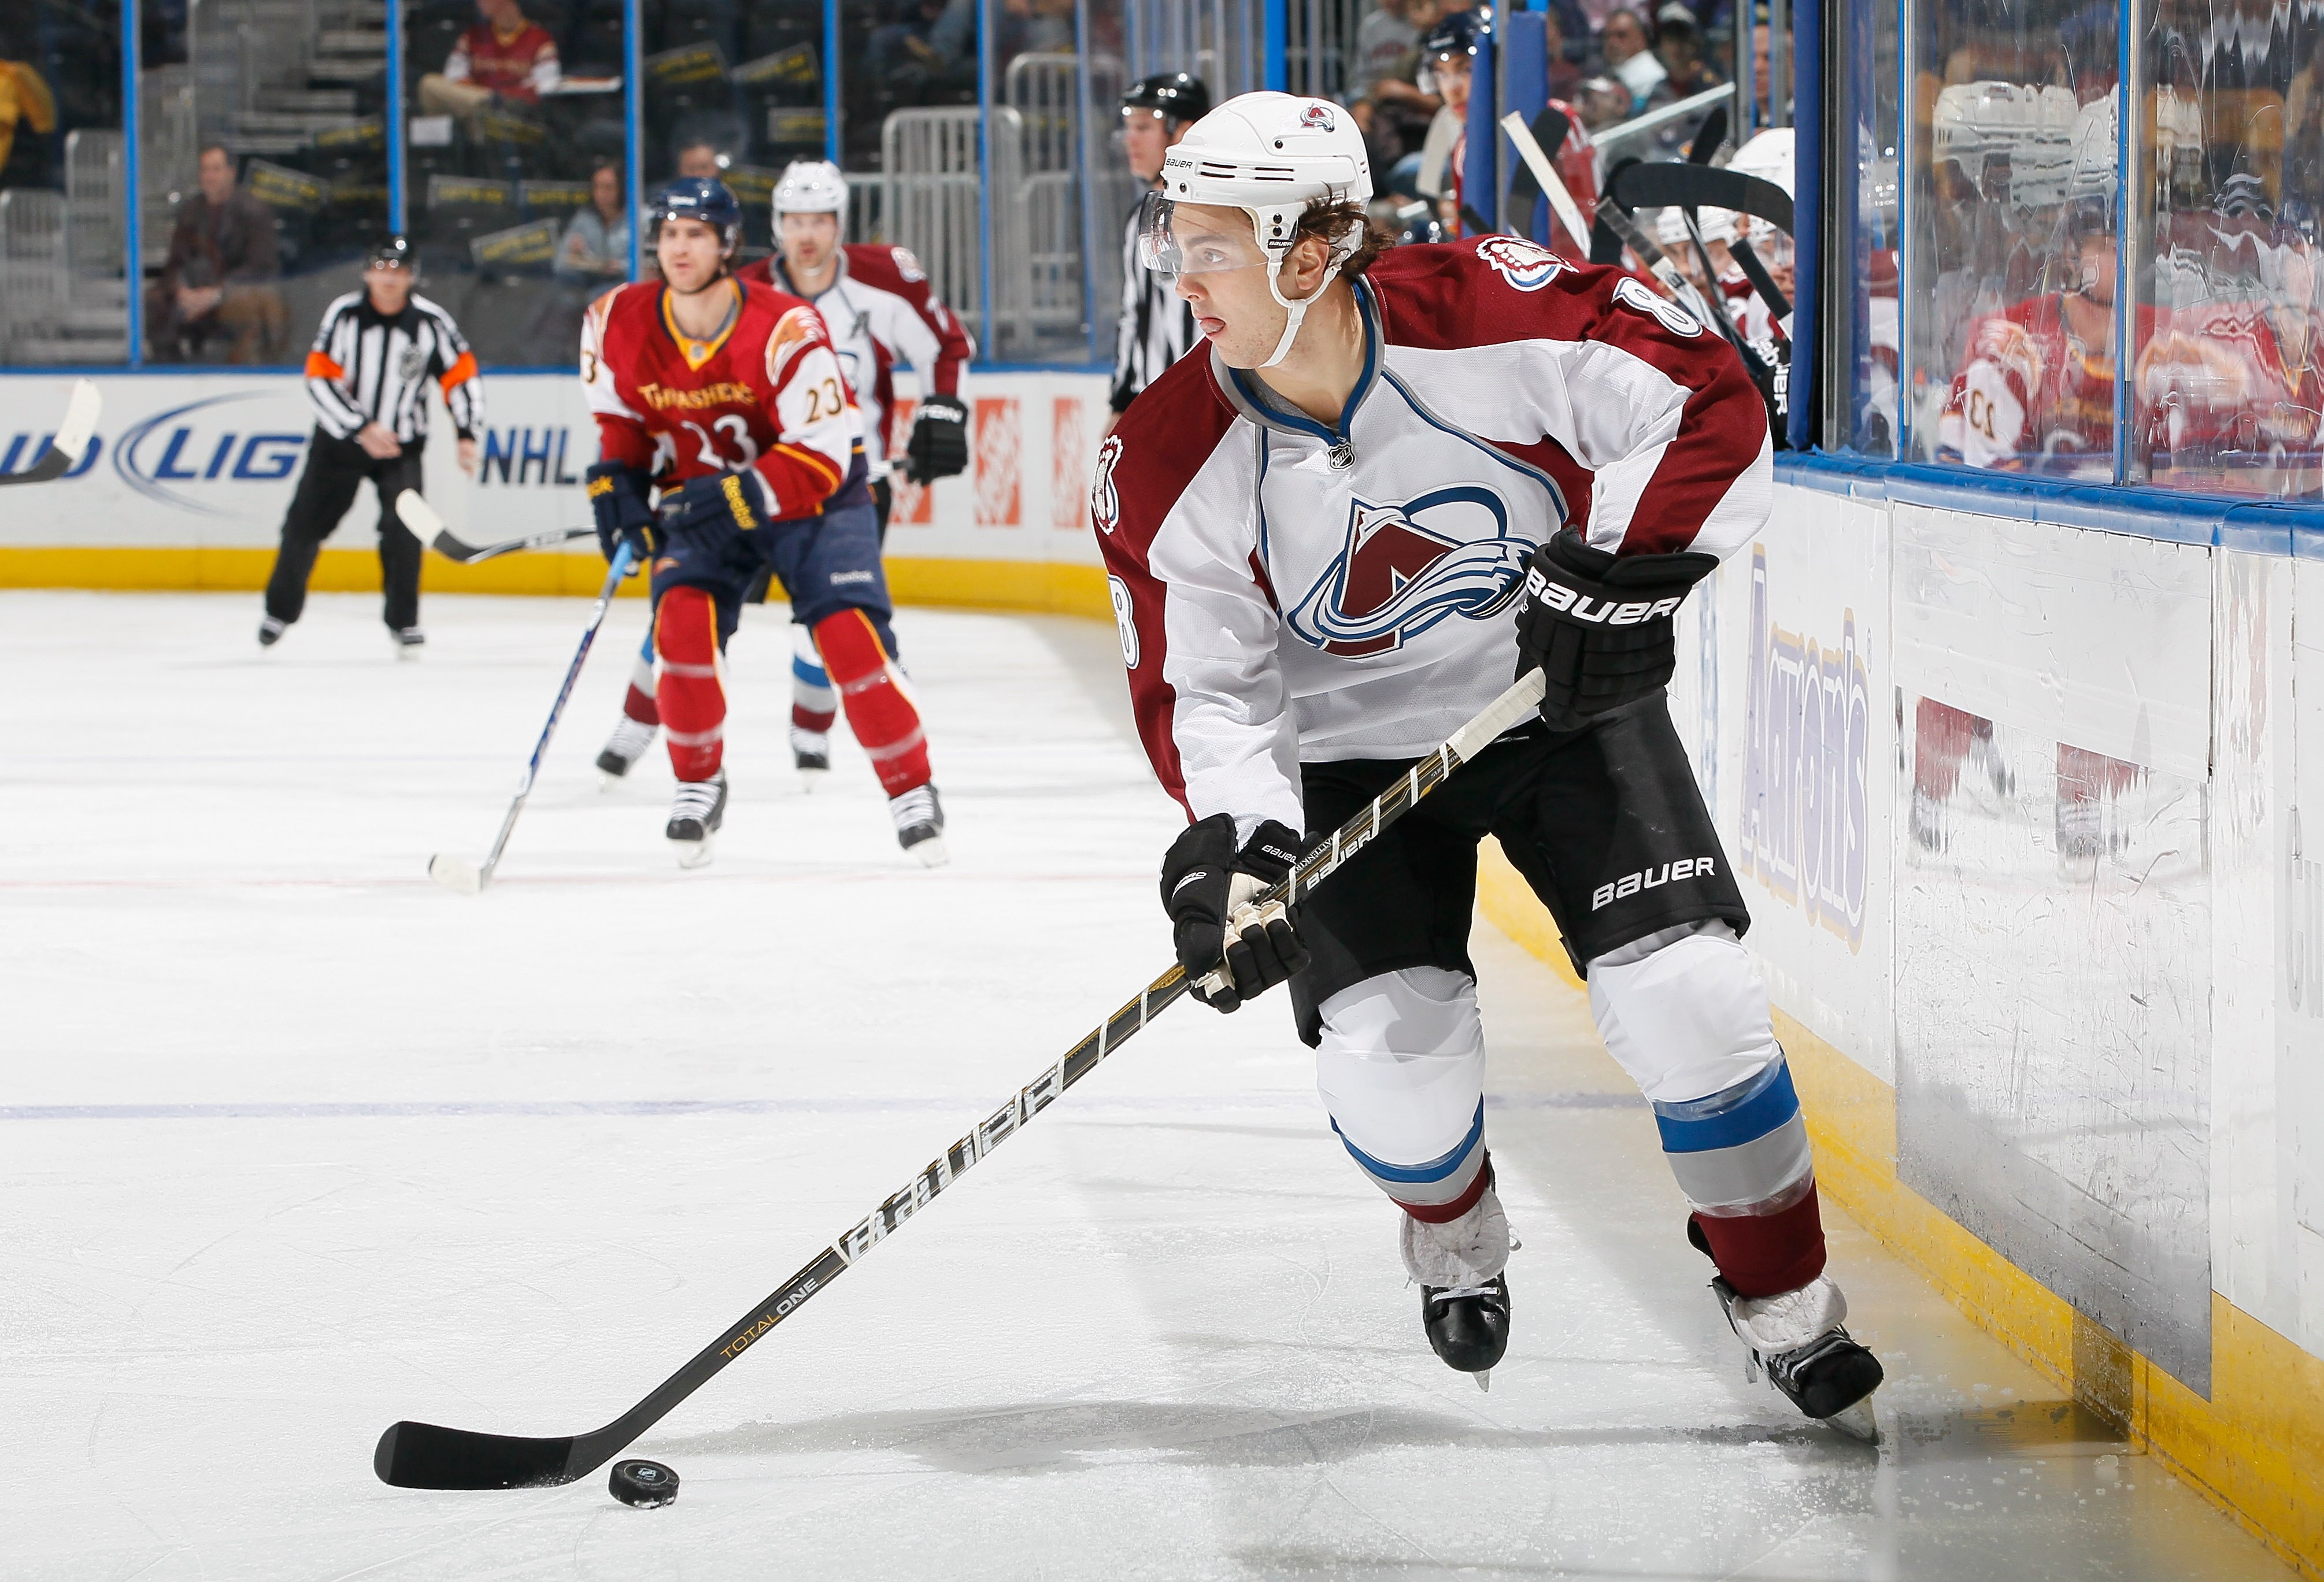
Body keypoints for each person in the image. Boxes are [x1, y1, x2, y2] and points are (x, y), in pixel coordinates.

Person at [1097, 91, 1884, 1427]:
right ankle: (1455, 1232)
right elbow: (1207, 692)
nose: (1188, 274)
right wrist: (1233, 851)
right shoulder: (1169, 454)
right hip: (1346, 769)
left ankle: (1785, 1302)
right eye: (1182, 240)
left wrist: (1614, 584)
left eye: (1215, 245)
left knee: (1691, 1000)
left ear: (1306, 252)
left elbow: (1705, 399)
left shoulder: (1489, 312)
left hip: (1551, 696)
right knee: (1395, 1071)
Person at [580, 177, 949, 867]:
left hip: (819, 501)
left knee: (848, 639)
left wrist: (736, 493)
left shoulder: (786, 327)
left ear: (725, 244)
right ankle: (697, 784)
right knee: (681, 626)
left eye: (696, 233)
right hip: (707, 500)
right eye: (669, 233)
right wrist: (618, 489)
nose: (680, 247)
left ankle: (911, 787)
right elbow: (621, 426)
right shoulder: (614, 319)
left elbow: (824, 453)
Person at [259, 236, 483, 656]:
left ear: (412, 277)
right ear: (366, 273)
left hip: (401, 446)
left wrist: (467, 433)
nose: (390, 279)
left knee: (404, 532)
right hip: (340, 445)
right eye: (382, 269)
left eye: (399, 270)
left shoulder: (432, 323)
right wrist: (360, 426)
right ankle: (279, 610)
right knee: (303, 526)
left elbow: (462, 375)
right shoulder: (344, 316)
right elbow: (318, 376)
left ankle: (404, 621)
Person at [1110, 73, 1212, 425]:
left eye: (1143, 128)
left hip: (1213, 410)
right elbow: (1133, 315)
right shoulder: (1139, 218)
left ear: (1182, 133)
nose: (1131, 141)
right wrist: (1121, 401)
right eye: (1128, 128)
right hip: (1157, 409)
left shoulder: (1218, 216)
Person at [147, 144, 286, 364]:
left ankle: (244, 374)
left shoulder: (254, 211)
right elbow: (176, 261)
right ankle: (171, 373)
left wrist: (216, 294)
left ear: (231, 173)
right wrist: (183, 291)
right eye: (204, 170)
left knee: (248, 310)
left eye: (215, 169)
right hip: (197, 294)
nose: (209, 176)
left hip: (235, 293)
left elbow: (261, 266)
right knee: (156, 302)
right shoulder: (191, 211)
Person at [417, 0, 560, 119]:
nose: (479, 2)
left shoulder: (540, 39)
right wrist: (473, 91)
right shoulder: (472, 36)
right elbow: (453, 76)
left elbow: (547, 84)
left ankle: (489, 104)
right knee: (430, 84)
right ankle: (486, 104)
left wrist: (512, 96)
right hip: (476, 113)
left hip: (516, 117)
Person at [554, 162, 631, 283]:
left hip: (624, 283)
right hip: (589, 282)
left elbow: (649, 264)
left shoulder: (640, 219)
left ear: (622, 189)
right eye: (597, 187)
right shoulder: (584, 219)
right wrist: (575, 255)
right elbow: (559, 263)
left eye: (608, 188)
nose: (601, 194)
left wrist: (620, 267)